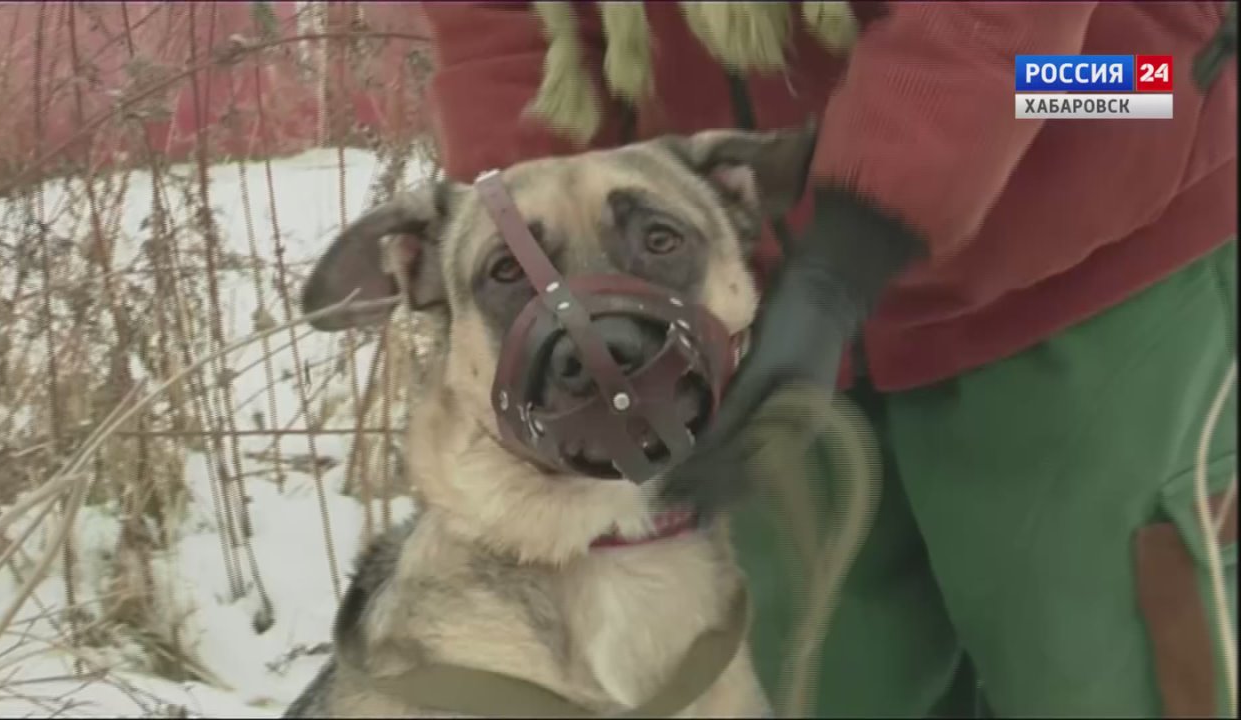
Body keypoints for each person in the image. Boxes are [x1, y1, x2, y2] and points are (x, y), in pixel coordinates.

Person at [420, 2, 1238, 716]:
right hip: (750, 304)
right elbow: (501, 26)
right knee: (835, 688)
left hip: (1093, 184)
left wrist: (849, 249)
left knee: (1105, 683)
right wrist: (536, 264)